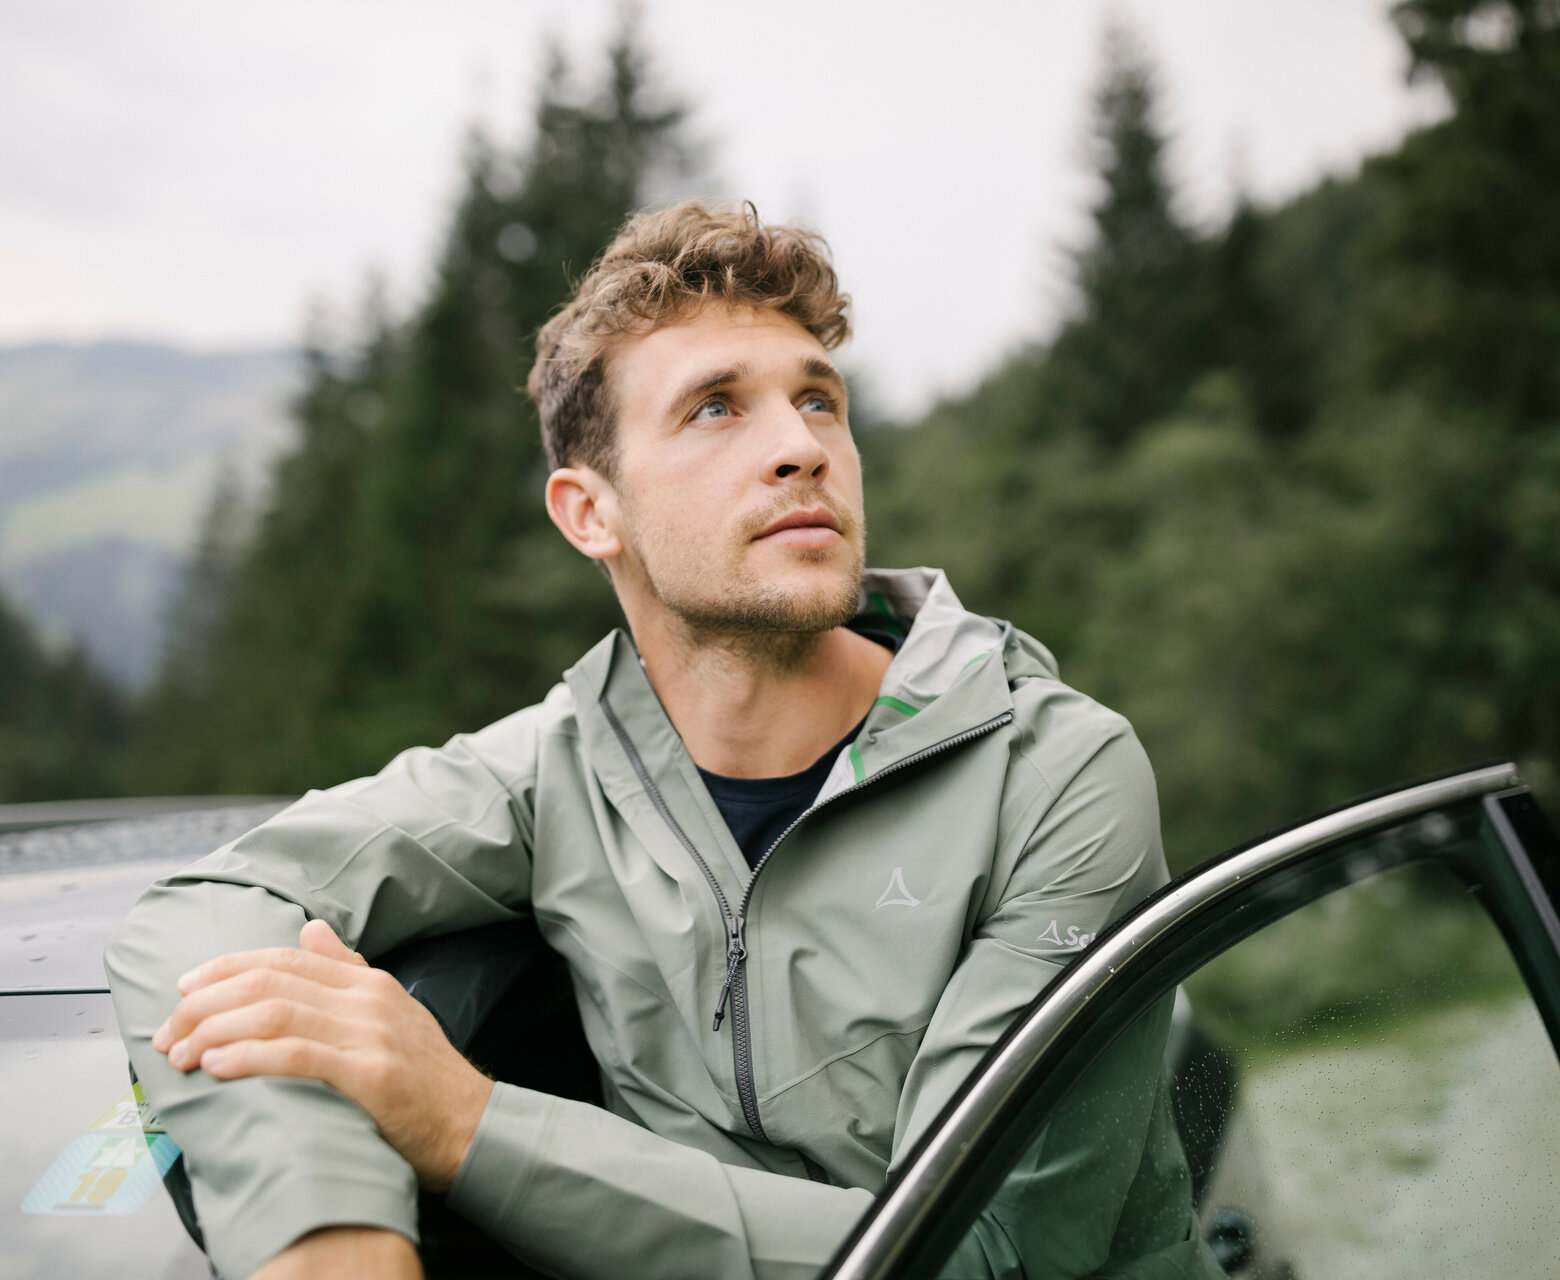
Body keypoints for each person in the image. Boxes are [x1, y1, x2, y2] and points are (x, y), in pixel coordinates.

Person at [107, 202, 1207, 1280]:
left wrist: (466, 1124)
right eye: (716, 408)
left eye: (818, 400)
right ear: (591, 513)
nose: (801, 447)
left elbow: (988, 1250)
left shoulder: (1052, 775)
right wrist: (328, 1223)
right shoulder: (560, 770)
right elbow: (206, 904)